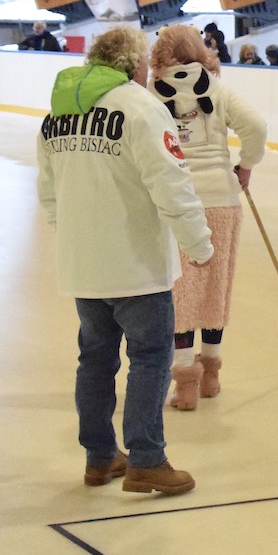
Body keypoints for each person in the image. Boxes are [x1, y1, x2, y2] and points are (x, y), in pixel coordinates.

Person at [36, 25, 212, 495]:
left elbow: (48, 191)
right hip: (136, 267)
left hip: (83, 267)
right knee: (150, 359)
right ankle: (147, 460)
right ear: (134, 66)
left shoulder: (57, 116)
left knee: (94, 361)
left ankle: (99, 459)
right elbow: (172, 184)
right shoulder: (141, 108)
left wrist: (72, 238)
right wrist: (199, 245)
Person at [147, 25, 268, 411]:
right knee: (215, 287)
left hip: (175, 201)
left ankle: (184, 383)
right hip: (221, 199)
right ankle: (211, 376)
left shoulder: (150, 94)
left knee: (180, 291)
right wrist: (245, 166)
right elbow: (257, 127)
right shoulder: (219, 88)